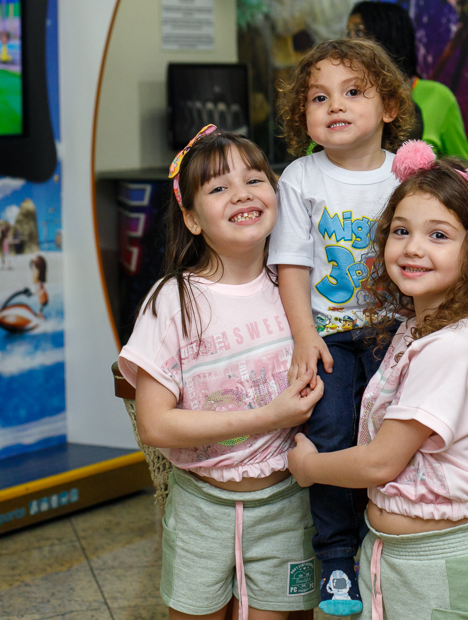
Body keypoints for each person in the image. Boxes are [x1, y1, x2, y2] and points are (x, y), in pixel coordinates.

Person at [287, 141, 468, 620]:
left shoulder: (455, 344)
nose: (413, 247)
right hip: (389, 561)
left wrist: (310, 468)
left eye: (438, 235)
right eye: (401, 231)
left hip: (440, 569)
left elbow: (381, 462)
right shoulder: (414, 330)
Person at [118, 127, 325, 620]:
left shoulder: (301, 290)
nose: (242, 194)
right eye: (217, 188)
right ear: (191, 219)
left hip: (288, 503)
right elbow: (155, 425)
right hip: (201, 508)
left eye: (255, 179)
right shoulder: (174, 300)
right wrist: (268, 415)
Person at [270, 37, 415, 615]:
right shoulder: (301, 178)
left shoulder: (408, 172)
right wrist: (305, 337)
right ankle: (335, 560)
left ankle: (388, 543)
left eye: (354, 92)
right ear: (301, 114)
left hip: (396, 335)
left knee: (390, 438)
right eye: (319, 96)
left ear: (389, 108)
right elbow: (292, 266)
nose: (335, 105)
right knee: (330, 436)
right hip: (329, 337)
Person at [347, 1, 468, 161]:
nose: (349, 41)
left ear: (388, 36)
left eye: (358, 32)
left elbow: (466, 174)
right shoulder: (344, 99)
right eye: (347, 33)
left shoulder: (438, 96)